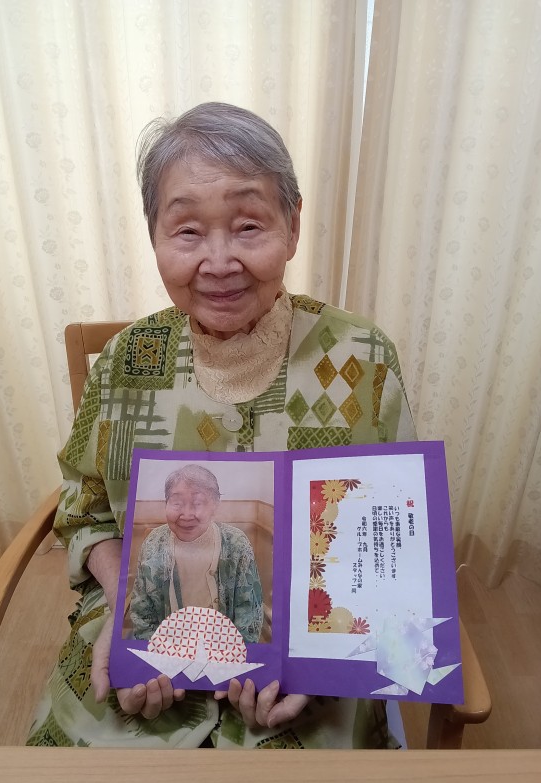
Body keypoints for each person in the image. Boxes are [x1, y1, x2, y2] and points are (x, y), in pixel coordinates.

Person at [27, 101, 416, 749]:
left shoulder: (360, 359)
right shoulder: (128, 360)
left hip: (321, 645)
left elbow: (396, 544)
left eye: (247, 225)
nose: (218, 261)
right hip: (149, 629)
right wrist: (127, 618)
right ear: (155, 237)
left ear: (293, 226)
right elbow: (86, 511)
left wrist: (320, 665)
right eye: (187, 231)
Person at [129, 464, 263, 642]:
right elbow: (141, 611)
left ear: (215, 506)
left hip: (223, 648)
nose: (186, 514)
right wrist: (158, 651)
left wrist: (231, 652)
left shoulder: (236, 543)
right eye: (177, 503)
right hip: (166, 646)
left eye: (198, 503)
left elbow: (249, 613)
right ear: (166, 504)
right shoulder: (153, 543)